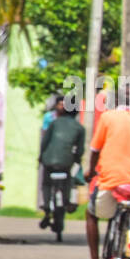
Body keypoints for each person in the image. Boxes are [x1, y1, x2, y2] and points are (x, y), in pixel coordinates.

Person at [79, 101, 130, 259]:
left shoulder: (107, 117)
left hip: (112, 181)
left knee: (91, 214)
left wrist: (91, 170)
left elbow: (95, 149)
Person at [39, 94, 86, 230]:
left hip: (49, 161)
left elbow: (45, 142)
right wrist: (76, 159)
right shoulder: (79, 128)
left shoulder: (54, 123)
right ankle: (68, 201)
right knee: (70, 179)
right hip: (66, 162)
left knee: (46, 183)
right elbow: (80, 150)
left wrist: (41, 157)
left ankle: (47, 205)